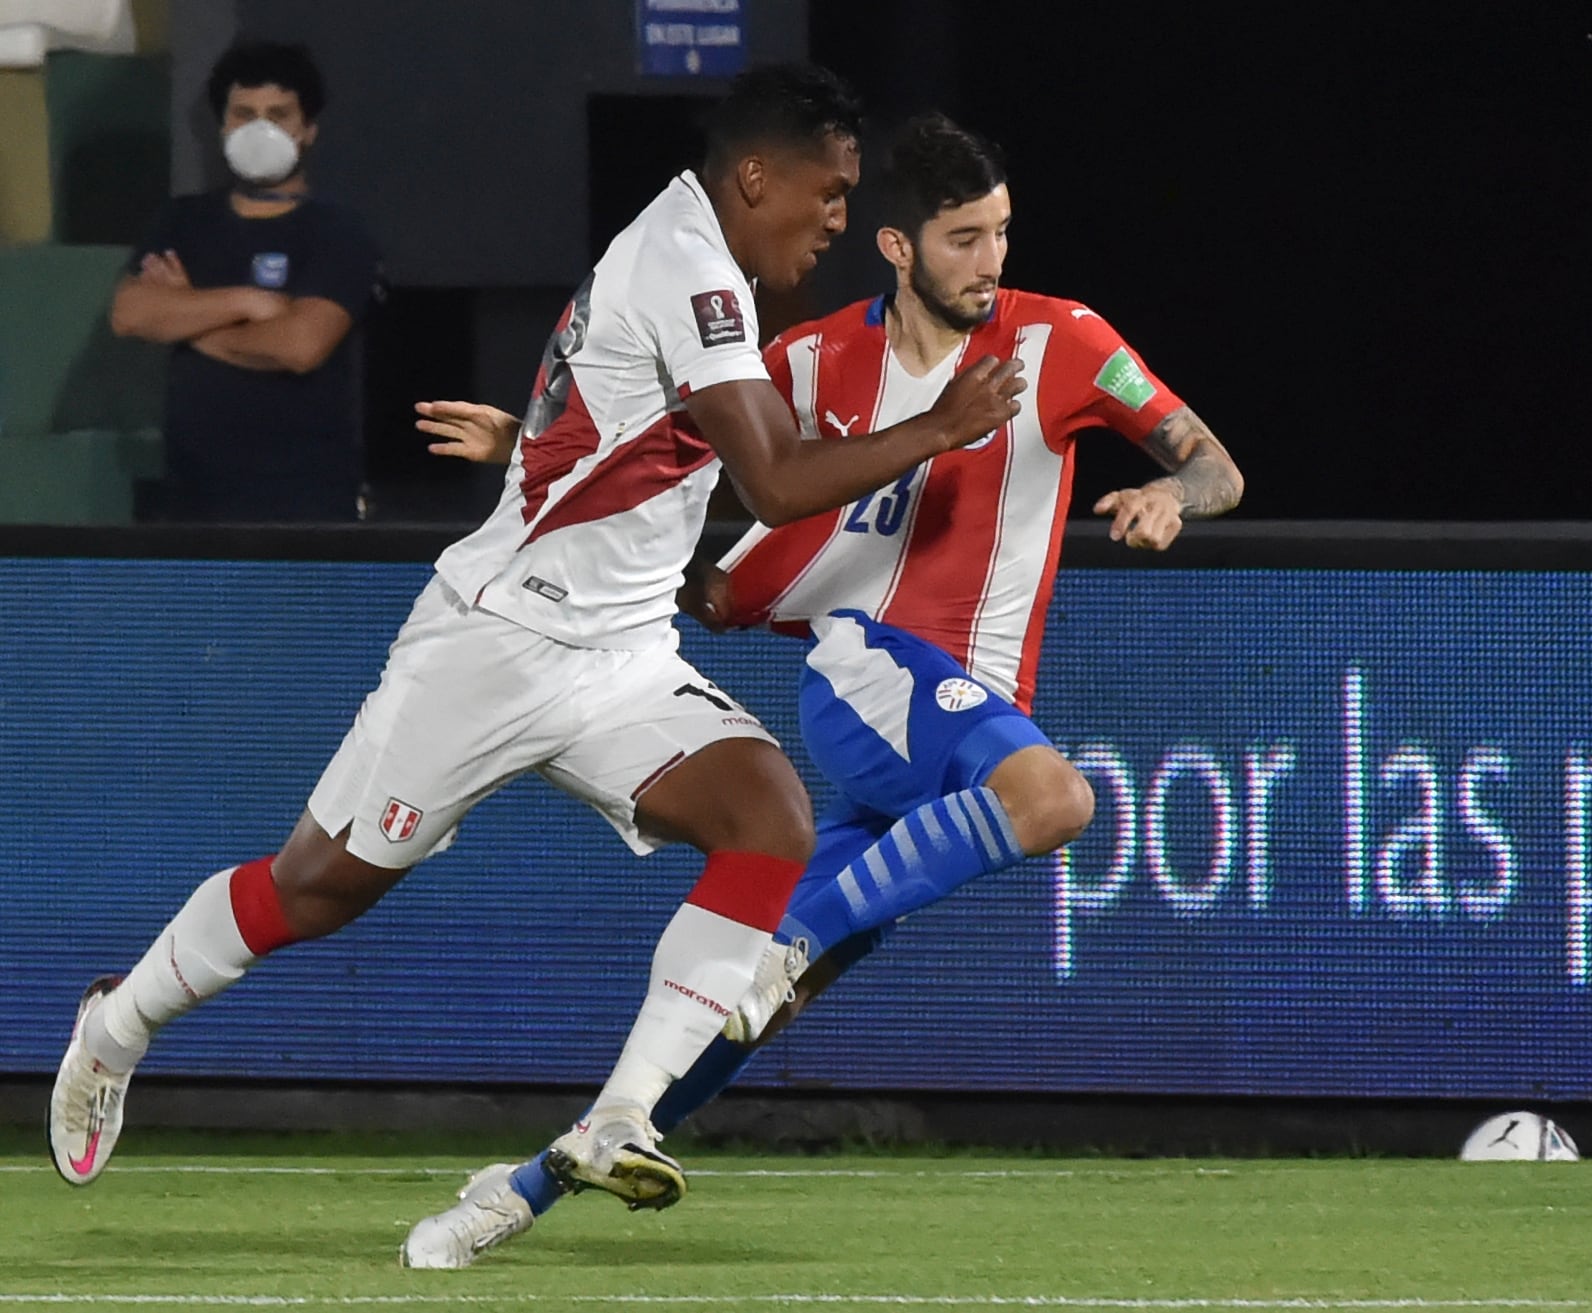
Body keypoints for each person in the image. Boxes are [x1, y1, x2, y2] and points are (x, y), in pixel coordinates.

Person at [49, 66, 1026, 1214]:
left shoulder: (699, 254)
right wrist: (938, 427)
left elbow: (643, 449)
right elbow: (774, 477)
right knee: (316, 888)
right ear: (757, 174)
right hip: (496, 642)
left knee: (768, 814)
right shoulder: (691, 267)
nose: (837, 220)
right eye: (827, 190)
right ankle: (115, 1023)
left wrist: (536, 446)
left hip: (618, 657)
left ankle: (620, 1115)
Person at [398, 111, 1243, 1268]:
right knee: (1052, 800)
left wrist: (1170, 498)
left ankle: (529, 1182)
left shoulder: (1064, 341)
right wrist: (526, 451)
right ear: (896, 247)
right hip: (868, 669)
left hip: (955, 718)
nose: (988, 261)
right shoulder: (805, 362)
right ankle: (785, 943)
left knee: (744, 1011)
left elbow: (1212, 462)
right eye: (960, 239)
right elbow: (656, 468)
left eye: (999, 233)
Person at [108, 40, 382, 522]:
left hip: (305, 499)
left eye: (277, 115)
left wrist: (188, 316)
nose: (259, 129)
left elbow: (300, 346)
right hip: (192, 497)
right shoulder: (183, 220)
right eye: (244, 114)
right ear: (222, 125)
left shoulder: (337, 230)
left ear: (308, 129)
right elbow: (131, 314)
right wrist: (250, 301)